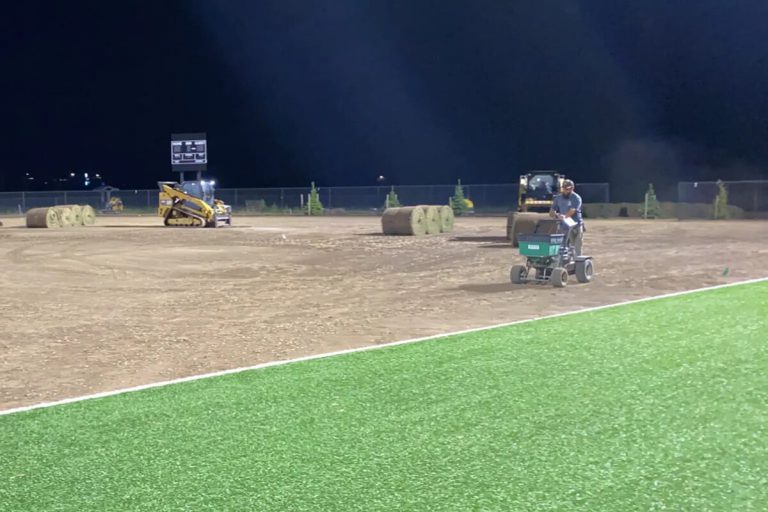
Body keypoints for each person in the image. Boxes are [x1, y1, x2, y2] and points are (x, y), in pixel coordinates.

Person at [549, 179, 584, 256]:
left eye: (567, 189)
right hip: (563, 226)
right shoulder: (558, 198)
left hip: (575, 226)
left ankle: (577, 263)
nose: (565, 190)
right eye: (564, 188)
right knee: (561, 247)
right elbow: (551, 211)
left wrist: (564, 216)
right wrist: (557, 215)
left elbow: (573, 210)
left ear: (572, 188)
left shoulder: (576, 198)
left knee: (576, 247)